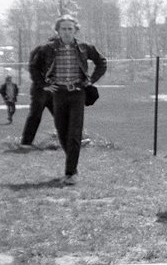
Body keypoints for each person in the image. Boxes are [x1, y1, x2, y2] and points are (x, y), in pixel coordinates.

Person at [26, 15, 107, 185]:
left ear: (75, 30)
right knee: (62, 131)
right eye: (63, 28)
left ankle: (71, 173)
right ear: (57, 31)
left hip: (78, 93)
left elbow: (102, 62)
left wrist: (91, 80)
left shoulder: (84, 48)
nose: (67, 32)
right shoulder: (47, 49)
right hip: (58, 94)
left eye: (70, 28)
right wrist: (43, 85)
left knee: (74, 132)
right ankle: (72, 162)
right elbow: (33, 67)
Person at [19, 42, 55, 148]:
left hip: (53, 91)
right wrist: (43, 84)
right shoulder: (41, 51)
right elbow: (34, 70)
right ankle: (26, 143)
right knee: (35, 115)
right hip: (40, 91)